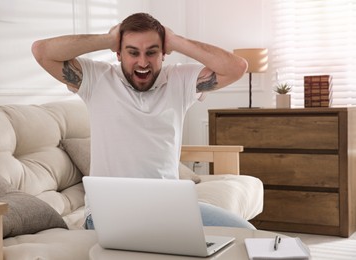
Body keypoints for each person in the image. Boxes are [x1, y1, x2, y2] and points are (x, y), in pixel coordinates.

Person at [32, 12, 255, 230]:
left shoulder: (179, 80)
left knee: (247, 236)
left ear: (163, 54)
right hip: (109, 211)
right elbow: (41, 51)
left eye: (151, 52)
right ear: (119, 54)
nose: (142, 62)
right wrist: (108, 39)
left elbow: (237, 68)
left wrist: (175, 40)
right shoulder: (96, 79)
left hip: (170, 207)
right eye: (133, 52)